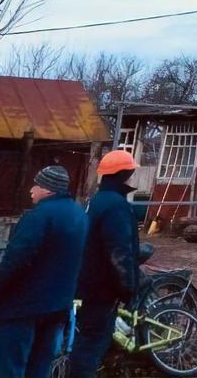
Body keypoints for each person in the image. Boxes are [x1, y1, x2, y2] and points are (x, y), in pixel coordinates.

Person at [0, 166, 88, 378]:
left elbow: (15, 261)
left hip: (22, 309)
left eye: (35, 185)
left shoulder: (38, 216)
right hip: (57, 307)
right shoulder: (79, 215)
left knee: (7, 367)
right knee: (39, 366)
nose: (31, 190)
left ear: (47, 189)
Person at [71, 150, 141, 378]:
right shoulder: (116, 207)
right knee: (92, 344)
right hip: (102, 291)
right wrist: (128, 289)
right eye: (132, 172)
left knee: (86, 341)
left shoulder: (97, 201)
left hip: (88, 284)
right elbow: (119, 252)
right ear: (124, 175)